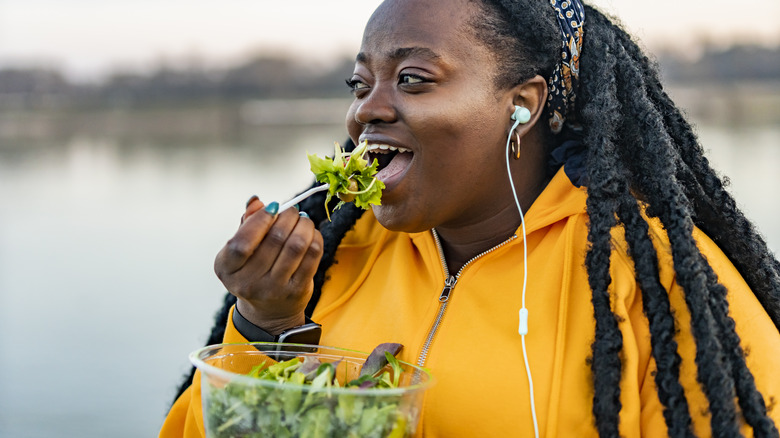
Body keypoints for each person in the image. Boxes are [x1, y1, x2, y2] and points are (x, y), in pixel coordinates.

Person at [160, 0, 780, 436]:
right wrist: (266, 326)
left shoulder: (657, 281)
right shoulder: (332, 259)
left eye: (412, 79)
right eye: (359, 84)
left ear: (522, 106)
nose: (366, 112)